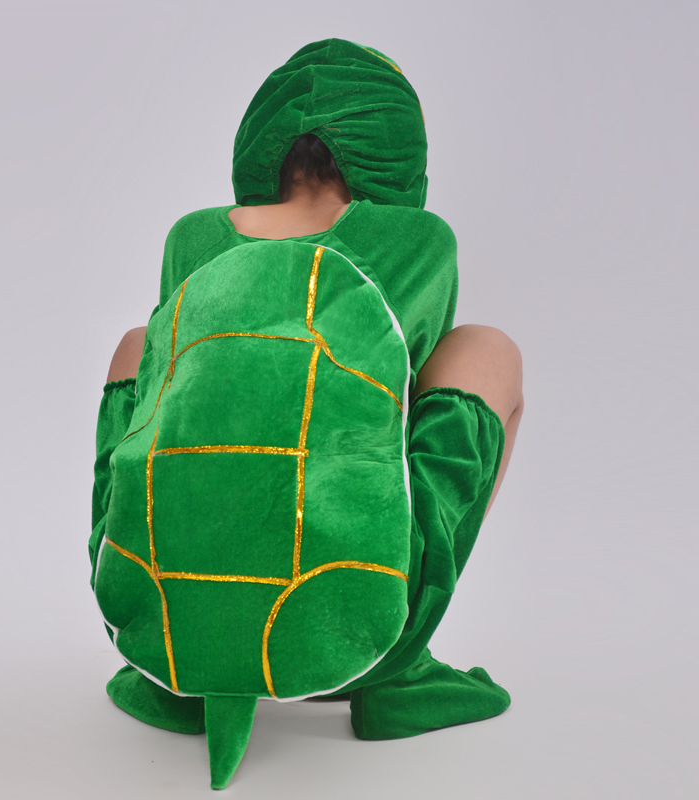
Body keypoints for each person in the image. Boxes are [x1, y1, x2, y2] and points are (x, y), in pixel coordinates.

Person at [92, 39, 523, 749]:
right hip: (359, 619)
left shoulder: (191, 237)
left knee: (142, 343)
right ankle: (395, 673)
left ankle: (170, 670)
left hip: (163, 626)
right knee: (486, 349)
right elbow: (402, 389)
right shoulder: (418, 239)